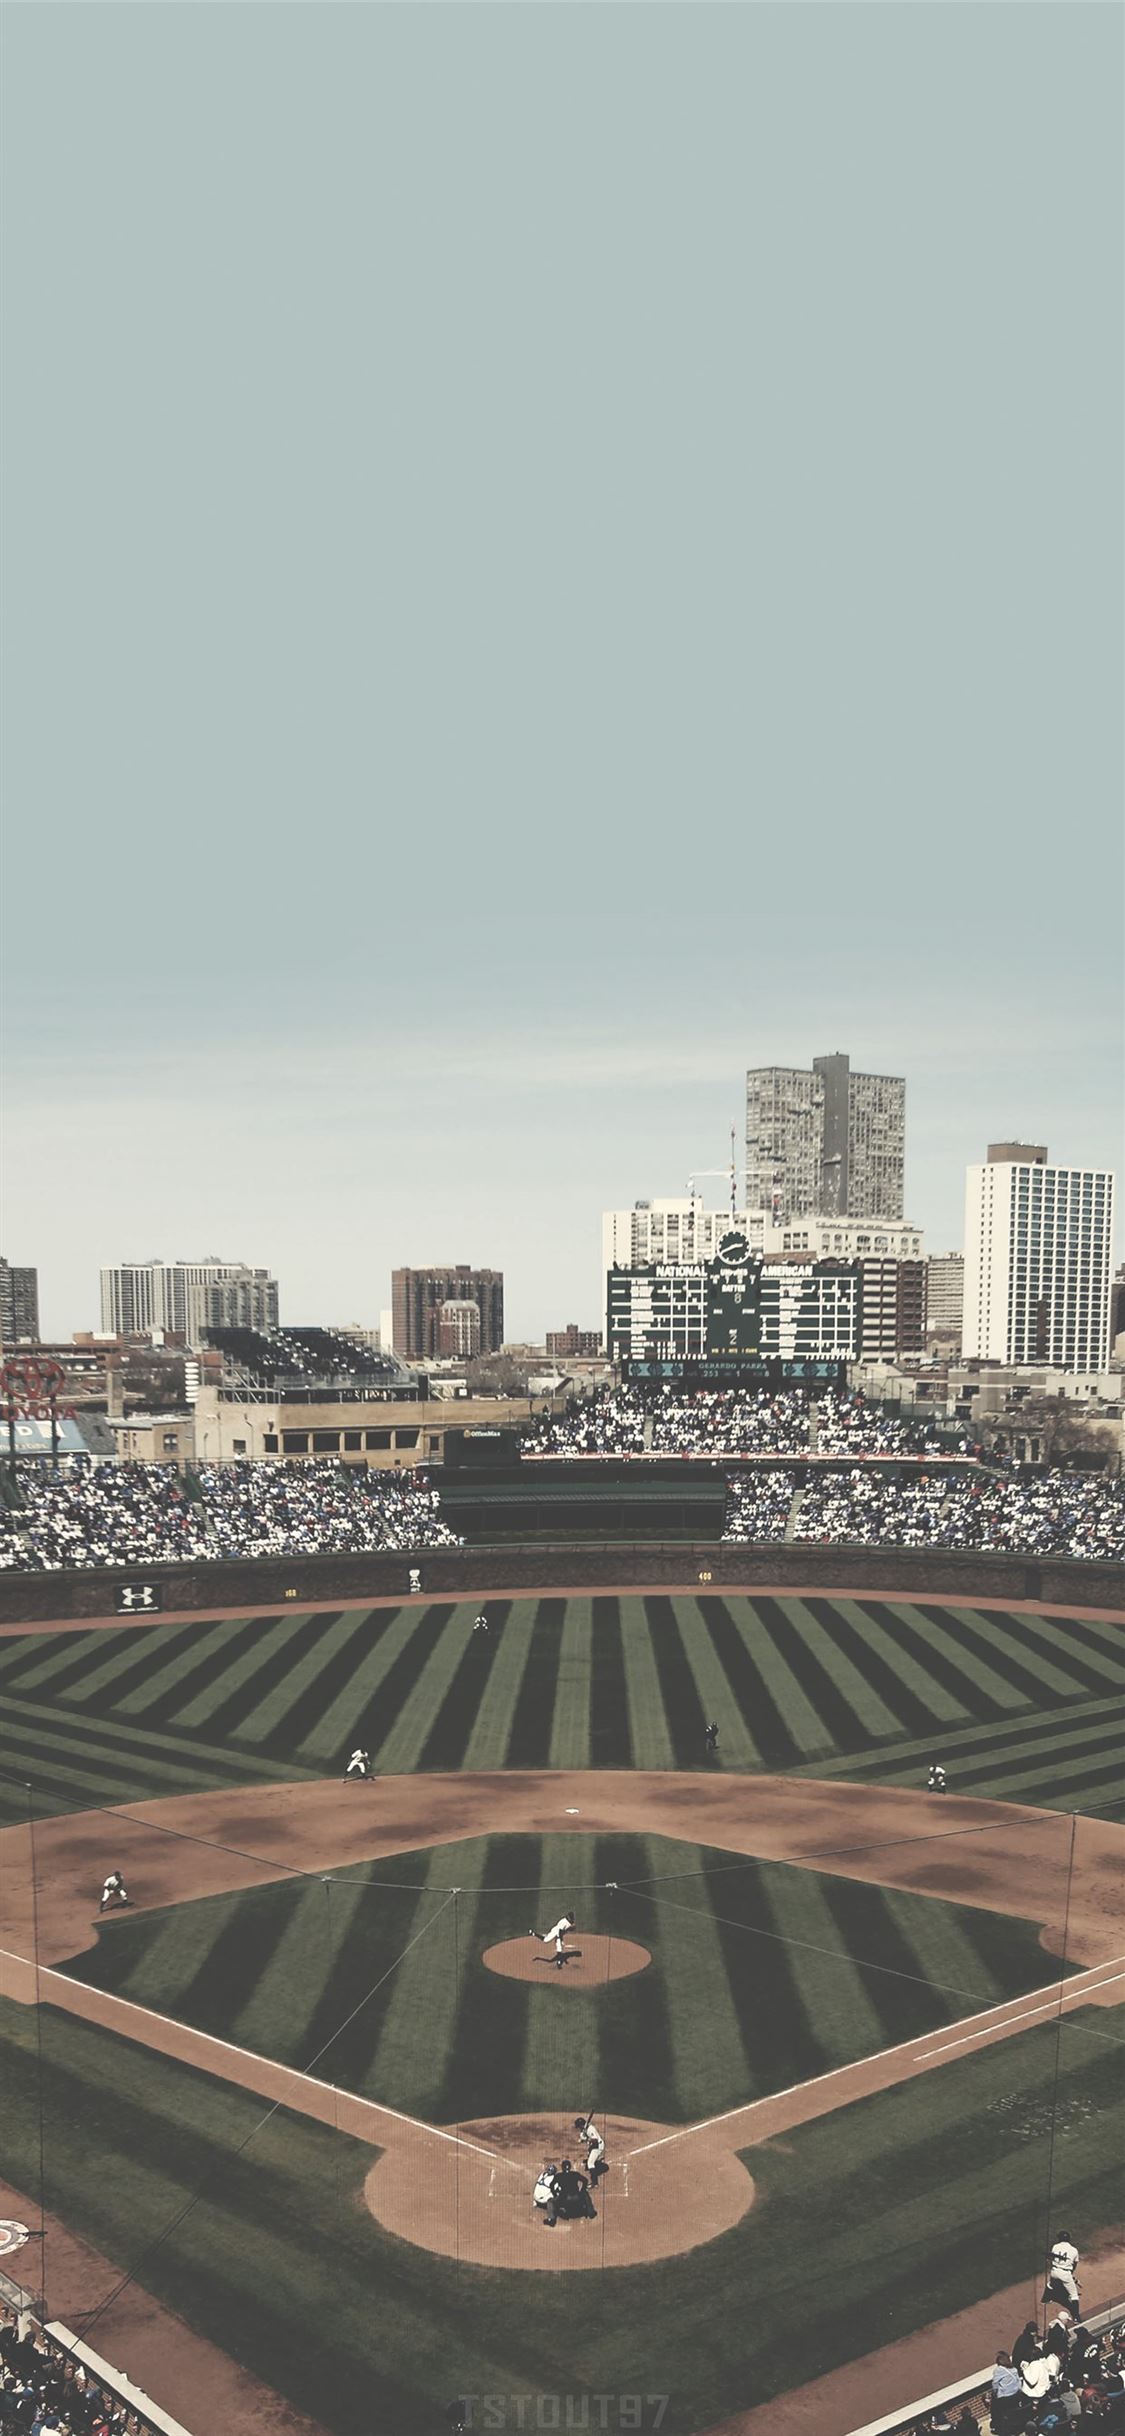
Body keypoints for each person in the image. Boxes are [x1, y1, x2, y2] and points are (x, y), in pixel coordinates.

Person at [1046, 2235, 1081, 2309]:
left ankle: (1046, 2299)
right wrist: (1071, 2272)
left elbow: (1051, 2258)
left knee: (1050, 2284)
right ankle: (1076, 2317)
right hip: (1065, 2273)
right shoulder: (1074, 2250)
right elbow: (1075, 2263)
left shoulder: (1055, 2246)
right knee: (1074, 2295)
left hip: (1054, 2271)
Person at [574, 2114, 607, 2185]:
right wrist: (583, 2139)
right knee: (589, 2156)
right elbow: (586, 2138)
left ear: (581, 2125)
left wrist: (587, 2140)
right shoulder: (584, 2130)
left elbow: (595, 2140)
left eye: (579, 2127)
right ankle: (596, 2161)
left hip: (597, 2146)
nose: (579, 2128)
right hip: (593, 2146)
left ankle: (594, 2183)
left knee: (590, 2164)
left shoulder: (590, 2129)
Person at [533, 2163, 561, 2229]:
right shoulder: (554, 2178)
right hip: (543, 2201)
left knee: (542, 2188)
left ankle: (536, 2203)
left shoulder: (542, 2174)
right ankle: (552, 2216)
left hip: (535, 2198)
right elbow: (558, 2189)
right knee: (557, 2194)